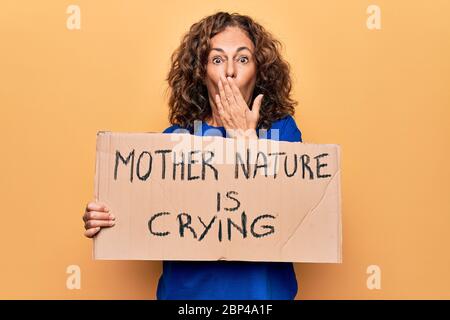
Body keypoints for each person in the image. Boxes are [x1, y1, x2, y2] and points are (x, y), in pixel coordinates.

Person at [83, 11, 303, 300]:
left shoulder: (283, 131)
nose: (230, 72)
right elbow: (147, 216)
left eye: (243, 58)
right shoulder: (174, 140)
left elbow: (298, 214)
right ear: (201, 72)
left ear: (259, 71)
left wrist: (245, 139)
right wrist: (105, 217)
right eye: (217, 59)